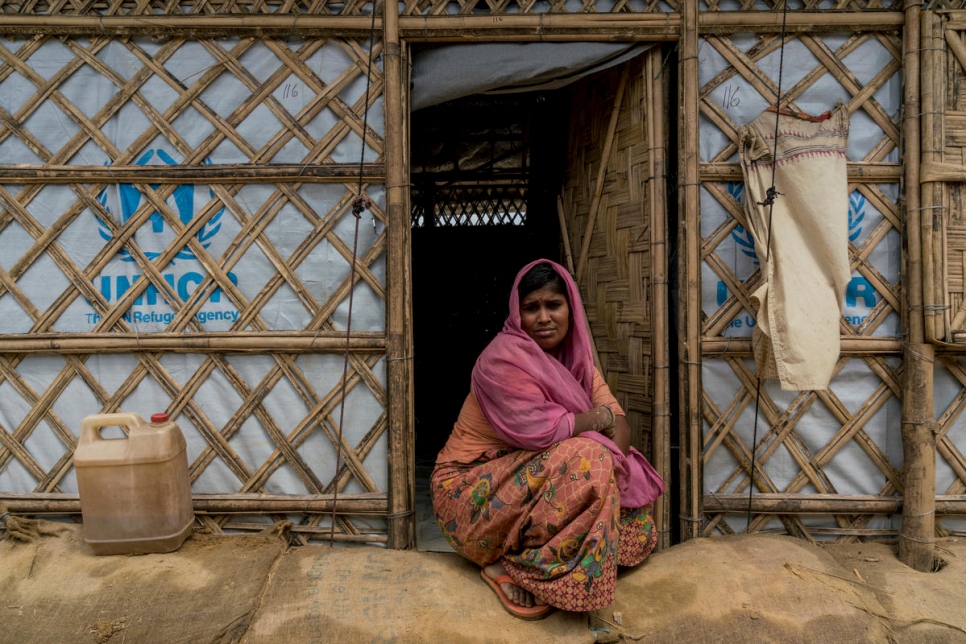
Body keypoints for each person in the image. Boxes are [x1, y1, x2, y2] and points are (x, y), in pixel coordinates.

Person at [431, 259, 665, 619]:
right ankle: (515, 570)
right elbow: (546, 432)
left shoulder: (578, 364)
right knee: (589, 457)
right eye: (531, 308)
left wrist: (601, 454)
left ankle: (519, 560)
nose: (543, 317)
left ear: (570, 310)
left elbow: (620, 428)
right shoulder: (502, 360)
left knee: (635, 527)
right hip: (468, 496)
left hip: (529, 487)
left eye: (553, 305)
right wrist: (598, 429)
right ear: (516, 313)